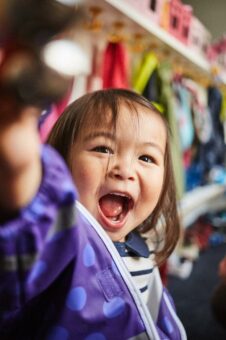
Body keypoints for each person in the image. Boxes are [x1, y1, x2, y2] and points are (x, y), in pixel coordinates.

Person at [0, 88, 187, 339]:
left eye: (146, 157)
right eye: (103, 149)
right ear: (61, 163)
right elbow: (23, 231)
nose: (125, 170)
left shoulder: (141, 246)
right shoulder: (58, 245)